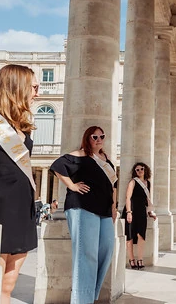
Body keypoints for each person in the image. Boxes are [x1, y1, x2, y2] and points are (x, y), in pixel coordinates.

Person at [0, 64, 39, 304]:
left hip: (23, 210)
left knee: (7, 288)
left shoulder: (20, 122)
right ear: (17, 86)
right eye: (34, 86)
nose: (37, 93)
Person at [50, 126, 118, 304]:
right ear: (87, 138)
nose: (98, 139)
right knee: (86, 254)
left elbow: (113, 185)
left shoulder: (106, 159)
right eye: (94, 137)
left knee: (107, 249)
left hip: (104, 209)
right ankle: (82, 300)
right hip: (83, 206)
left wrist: (114, 206)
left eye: (101, 136)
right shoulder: (80, 155)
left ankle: (88, 295)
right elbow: (57, 166)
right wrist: (71, 186)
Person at [121, 162, 157, 270]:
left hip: (141, 211)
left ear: (145, 170)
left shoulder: (148, 183)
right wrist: (128, 212)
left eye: (142, 169)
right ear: (135, 172)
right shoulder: (133, 182)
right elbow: (128, 197)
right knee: (130, 236)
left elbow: (147, 199)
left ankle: (140, 259)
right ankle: (132, 259)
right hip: (131, 210)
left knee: (141, 235)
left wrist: (150, 212)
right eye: (137, 170)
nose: (140, 171)